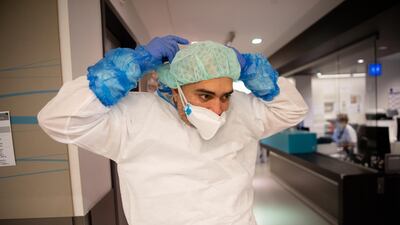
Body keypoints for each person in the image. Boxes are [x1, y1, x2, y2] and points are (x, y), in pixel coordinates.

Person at [38, 35, 308, 225]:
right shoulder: (134, 116)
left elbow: (293, 109)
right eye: (204, 96)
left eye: (225, 95)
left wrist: (252, 70)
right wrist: (131, 65)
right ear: (175, 89)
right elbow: (58, 119)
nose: (218, 109)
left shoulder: (242, 111)